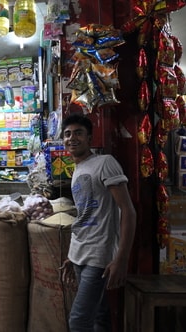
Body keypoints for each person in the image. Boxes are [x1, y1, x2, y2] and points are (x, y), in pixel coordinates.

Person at [59, 114, 136, 331]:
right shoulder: (77, 169)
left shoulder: (105, 163)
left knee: (78, 321)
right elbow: (86, 216)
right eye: (67, 134)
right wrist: (72, 256)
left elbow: (128, 211)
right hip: (80, 254)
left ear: (90, 138)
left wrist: (121, 258)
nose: (72, 138)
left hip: (98, 256)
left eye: (78, 133)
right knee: (99, 316)